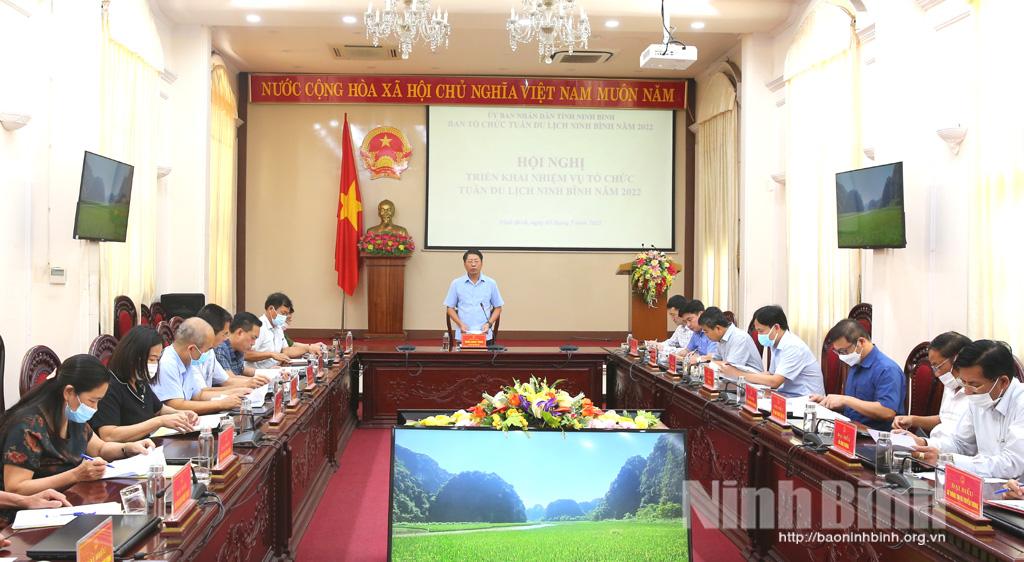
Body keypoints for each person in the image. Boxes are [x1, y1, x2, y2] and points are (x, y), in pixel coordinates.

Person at [0, 354, 155, 497]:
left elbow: (99, 448)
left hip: (69, 497)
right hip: (27, 514)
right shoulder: (27, 426)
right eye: (92, 401)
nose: (95, 408)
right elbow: (16, 488)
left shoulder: (71, 414)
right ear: (69, 392)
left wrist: (127, 448)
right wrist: (75, 475)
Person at [905, 340, 1024, 479]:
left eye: (974, 384)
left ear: (1003, 382)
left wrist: (947, 460)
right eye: (963, 382)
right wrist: (924, 444)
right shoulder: (978, 398)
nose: (967, 392)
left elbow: (1011, 464)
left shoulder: (1020, 403)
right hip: (984, 483)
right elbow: (961, 444)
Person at [89, 326, 200, 442]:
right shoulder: (110, 386)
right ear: (133, 355)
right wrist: (159, 421)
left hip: (148, 447)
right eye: (152, 359)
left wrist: (180, 414)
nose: (155, 364)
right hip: (125, 453)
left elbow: (160, 409)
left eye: (157, 359)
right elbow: (109, 435)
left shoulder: (139, 381)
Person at [810, 319, 906, 431]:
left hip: (874, 437)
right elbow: (855, 407)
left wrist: (846, 400)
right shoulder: (856, 363)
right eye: (838, 352)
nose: (842, 356)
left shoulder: (887, 369)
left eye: (844, 351)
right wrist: (828, 401)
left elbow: (887, 411)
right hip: (850, 429)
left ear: (861, 342)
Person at [151, 318, 242, 414]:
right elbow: (176, 405)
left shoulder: (187, 360)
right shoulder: (167, 363)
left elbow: (198, 395)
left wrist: (233, 393)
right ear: (192, 349)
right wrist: (220, 404)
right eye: (207, 350)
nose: (208, 354)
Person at [891, 331, 972, 438]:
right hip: (934, 445)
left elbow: (962, 444)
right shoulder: (951, 386)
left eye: (938, 366)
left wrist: (923, 443)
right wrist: (912, 420)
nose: (936, 374)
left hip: (948, 451)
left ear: (957, 360)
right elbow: (944, 419)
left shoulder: (976, 395)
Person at [741, 305, 825, 397]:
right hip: (787, 396)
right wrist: (745, 377)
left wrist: (741, 375)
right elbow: (771, 374)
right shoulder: (775, 343)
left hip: (806, 401)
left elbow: (775, 381)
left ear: (776, 327)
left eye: (761, 331)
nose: (758, 335)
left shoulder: (793, 346)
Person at [197, 304, 267, 390]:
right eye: (225, 334)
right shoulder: (218, 348)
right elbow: (199, 393)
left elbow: (226, 380)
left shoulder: (210, 352)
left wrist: (258, 381)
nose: (226, 338)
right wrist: (244, 386)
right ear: (210, 331)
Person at [246, 293, 323, 370]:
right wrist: (271, 354)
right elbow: (246, 354)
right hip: (258, 374)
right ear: (270, 309)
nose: (285, 317)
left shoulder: (278, 327)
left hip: (276, 370)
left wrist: (308, 348)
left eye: (286, 314)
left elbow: (286, 350)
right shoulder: (259, 327)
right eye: (283, 313)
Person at [444, 249, 504, 345]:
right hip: (464, 334)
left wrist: (488, 324)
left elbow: (498, 307)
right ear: (464, 264)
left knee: (485, 360)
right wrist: (460, 324)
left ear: (481, 263)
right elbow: (450, 308)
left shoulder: (491, 283)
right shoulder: (456, 283)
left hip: (484, 334)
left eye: (476, 261)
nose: (473, 264)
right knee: (463, 360)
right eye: (470, 261)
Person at [700, 307, 764, 374]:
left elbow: (730, 368)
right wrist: (702, 360)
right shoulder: (721, 338)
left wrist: (709, 363)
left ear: (718, 328)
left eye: (706, 331)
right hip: (733, 379)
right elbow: (716, 359)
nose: (705, 335)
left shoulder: (739, 337)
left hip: (752, 381)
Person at [216, 312, 270, 380]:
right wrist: (259, 380)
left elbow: (241, 370)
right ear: (240, 332)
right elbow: (230, 379)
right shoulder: (221, 348)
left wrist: (271, 372)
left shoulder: (239, 349)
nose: (253, 343)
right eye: (253, 338)